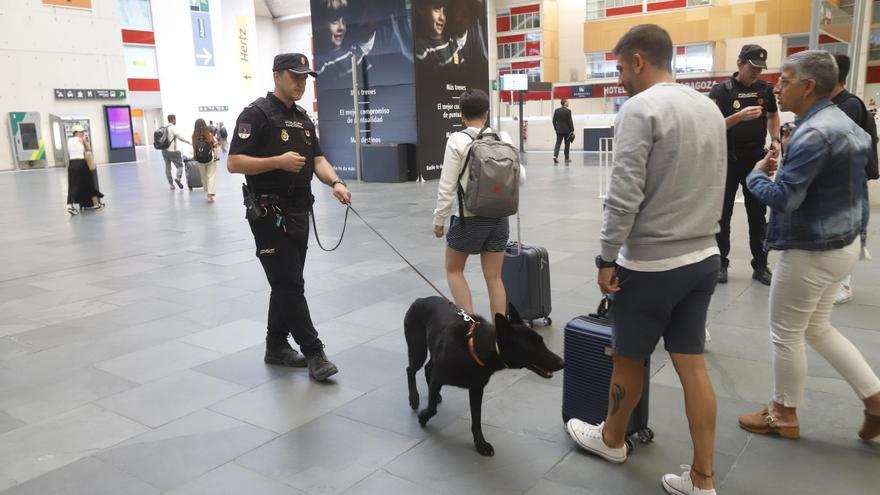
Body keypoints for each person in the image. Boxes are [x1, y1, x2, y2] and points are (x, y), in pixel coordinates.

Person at [564, 25, 726, 495]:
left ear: (638, 60)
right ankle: (703, 479)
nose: (619, 79)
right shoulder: (709, 107)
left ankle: (612, 438)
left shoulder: (641, 108)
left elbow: (624, 193)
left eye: (619, 68)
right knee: (692, 365)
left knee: (628, 359)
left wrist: (606, 256)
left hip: (653, 263)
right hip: (703, 257)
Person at [738, 50, 880, 443]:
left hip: (811, 248)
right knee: (817, 328)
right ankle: (875, 399)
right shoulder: (847, 125)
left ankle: (783, 414)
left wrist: (754, 176)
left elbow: (785, 197)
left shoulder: (814, 132)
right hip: (844, 243)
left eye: (784, 81)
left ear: (808, 85)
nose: (777, 88)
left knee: (785, 333)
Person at [227, 53, 352, 382]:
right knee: (289, 283)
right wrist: (278, 162)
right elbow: (235, 162)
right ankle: (314, 352)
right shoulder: (256, 114)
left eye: (305, 77)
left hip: (299, 210)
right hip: (268, 213)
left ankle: (275, 346)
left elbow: (319, 160)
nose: (301, 83)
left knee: (286, 282)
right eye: (295, 76)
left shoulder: (303, 119)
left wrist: (336, 182)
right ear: (277, 76)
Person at [432, 88, 525, 319]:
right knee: (494, 277)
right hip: (500, 219)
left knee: (454, 269)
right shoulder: (503, 138)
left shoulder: (457, 140)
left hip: (469, 219)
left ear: (461, 114)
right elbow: (520, 177)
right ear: (486, 112)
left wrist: (439, 220)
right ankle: (501, 336)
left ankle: (470, 329)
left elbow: (447, 186)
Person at [708, 44, 780, 286]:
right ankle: (720, 264)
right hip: (728, 160)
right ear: (740, 63)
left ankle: (761, 265)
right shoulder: (721, 91)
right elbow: (712, 125)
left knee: (758, 215)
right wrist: (739, 117)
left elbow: (772, 115)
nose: (757, 73)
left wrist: (776, 139)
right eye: (753, 68)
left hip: (755, 161)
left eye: (760, 69)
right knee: (723, 214)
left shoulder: (765, 89)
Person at [829, 53, 879, 305]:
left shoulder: (848, 104)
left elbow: (838, 142)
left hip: (849, 179)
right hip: (839, 181)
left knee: (848, 230)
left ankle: (844, 284)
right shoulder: (832, 102)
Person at [414, 0, 488, 78]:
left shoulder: (470, 37)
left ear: (471, 20)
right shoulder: (424, 49)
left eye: (464, 13)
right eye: (455, 10)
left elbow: (462, 66)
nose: (457, 18)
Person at [65, 125, 104, 214]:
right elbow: (88, 149)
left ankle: (70, 206)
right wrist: (85, 140)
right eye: (80, 132)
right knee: (89, 183)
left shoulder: (69, 140)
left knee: (72, 185)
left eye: (83, 131)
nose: (82, 133)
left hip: (72, 164)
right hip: (81, 163)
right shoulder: (81, 139)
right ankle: (96, 204)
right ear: (75, 133)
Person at [161, 114, 192, 190]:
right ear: (173, 119)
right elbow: (179, 137)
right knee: (180, 166)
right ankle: (178, 178)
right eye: (175, 119)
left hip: (164, 151)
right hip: (173, 151)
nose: (176, 121)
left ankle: (171, 185)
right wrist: (188, 141)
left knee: (167, 167)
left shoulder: (164, 128)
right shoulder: (172, 128)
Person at [191, 119, 219, 203]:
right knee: (211, 176)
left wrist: (194, 156)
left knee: (203, 177)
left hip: (200, 159)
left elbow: (194, 147)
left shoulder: (194, 136)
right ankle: (210, 196)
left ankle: (207, 190)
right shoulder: (208, 134)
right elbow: (215, 144)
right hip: (210, 158)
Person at [552, 98, 574, 165]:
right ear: (564, 103)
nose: (568, 103)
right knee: (567, 144)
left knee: (558, 143)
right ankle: (566, 158)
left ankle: (555, 156)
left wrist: (556, 128)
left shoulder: (556, 110)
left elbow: (553, 121)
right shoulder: (568, 111)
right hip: (567, 131)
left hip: (559, 131)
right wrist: (572, 130)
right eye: (567, 102)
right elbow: (570, 121)